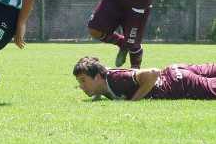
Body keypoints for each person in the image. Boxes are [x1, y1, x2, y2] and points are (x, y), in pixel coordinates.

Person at [73, 56, 216, 101]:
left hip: (180, 83)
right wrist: (96, 95)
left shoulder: (116, 79)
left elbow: (153, 73)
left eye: (83, 80)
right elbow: (100, 83)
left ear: (97, 77)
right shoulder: (102, 79)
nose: (81, 86)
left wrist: (132, 101)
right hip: (175, 71)